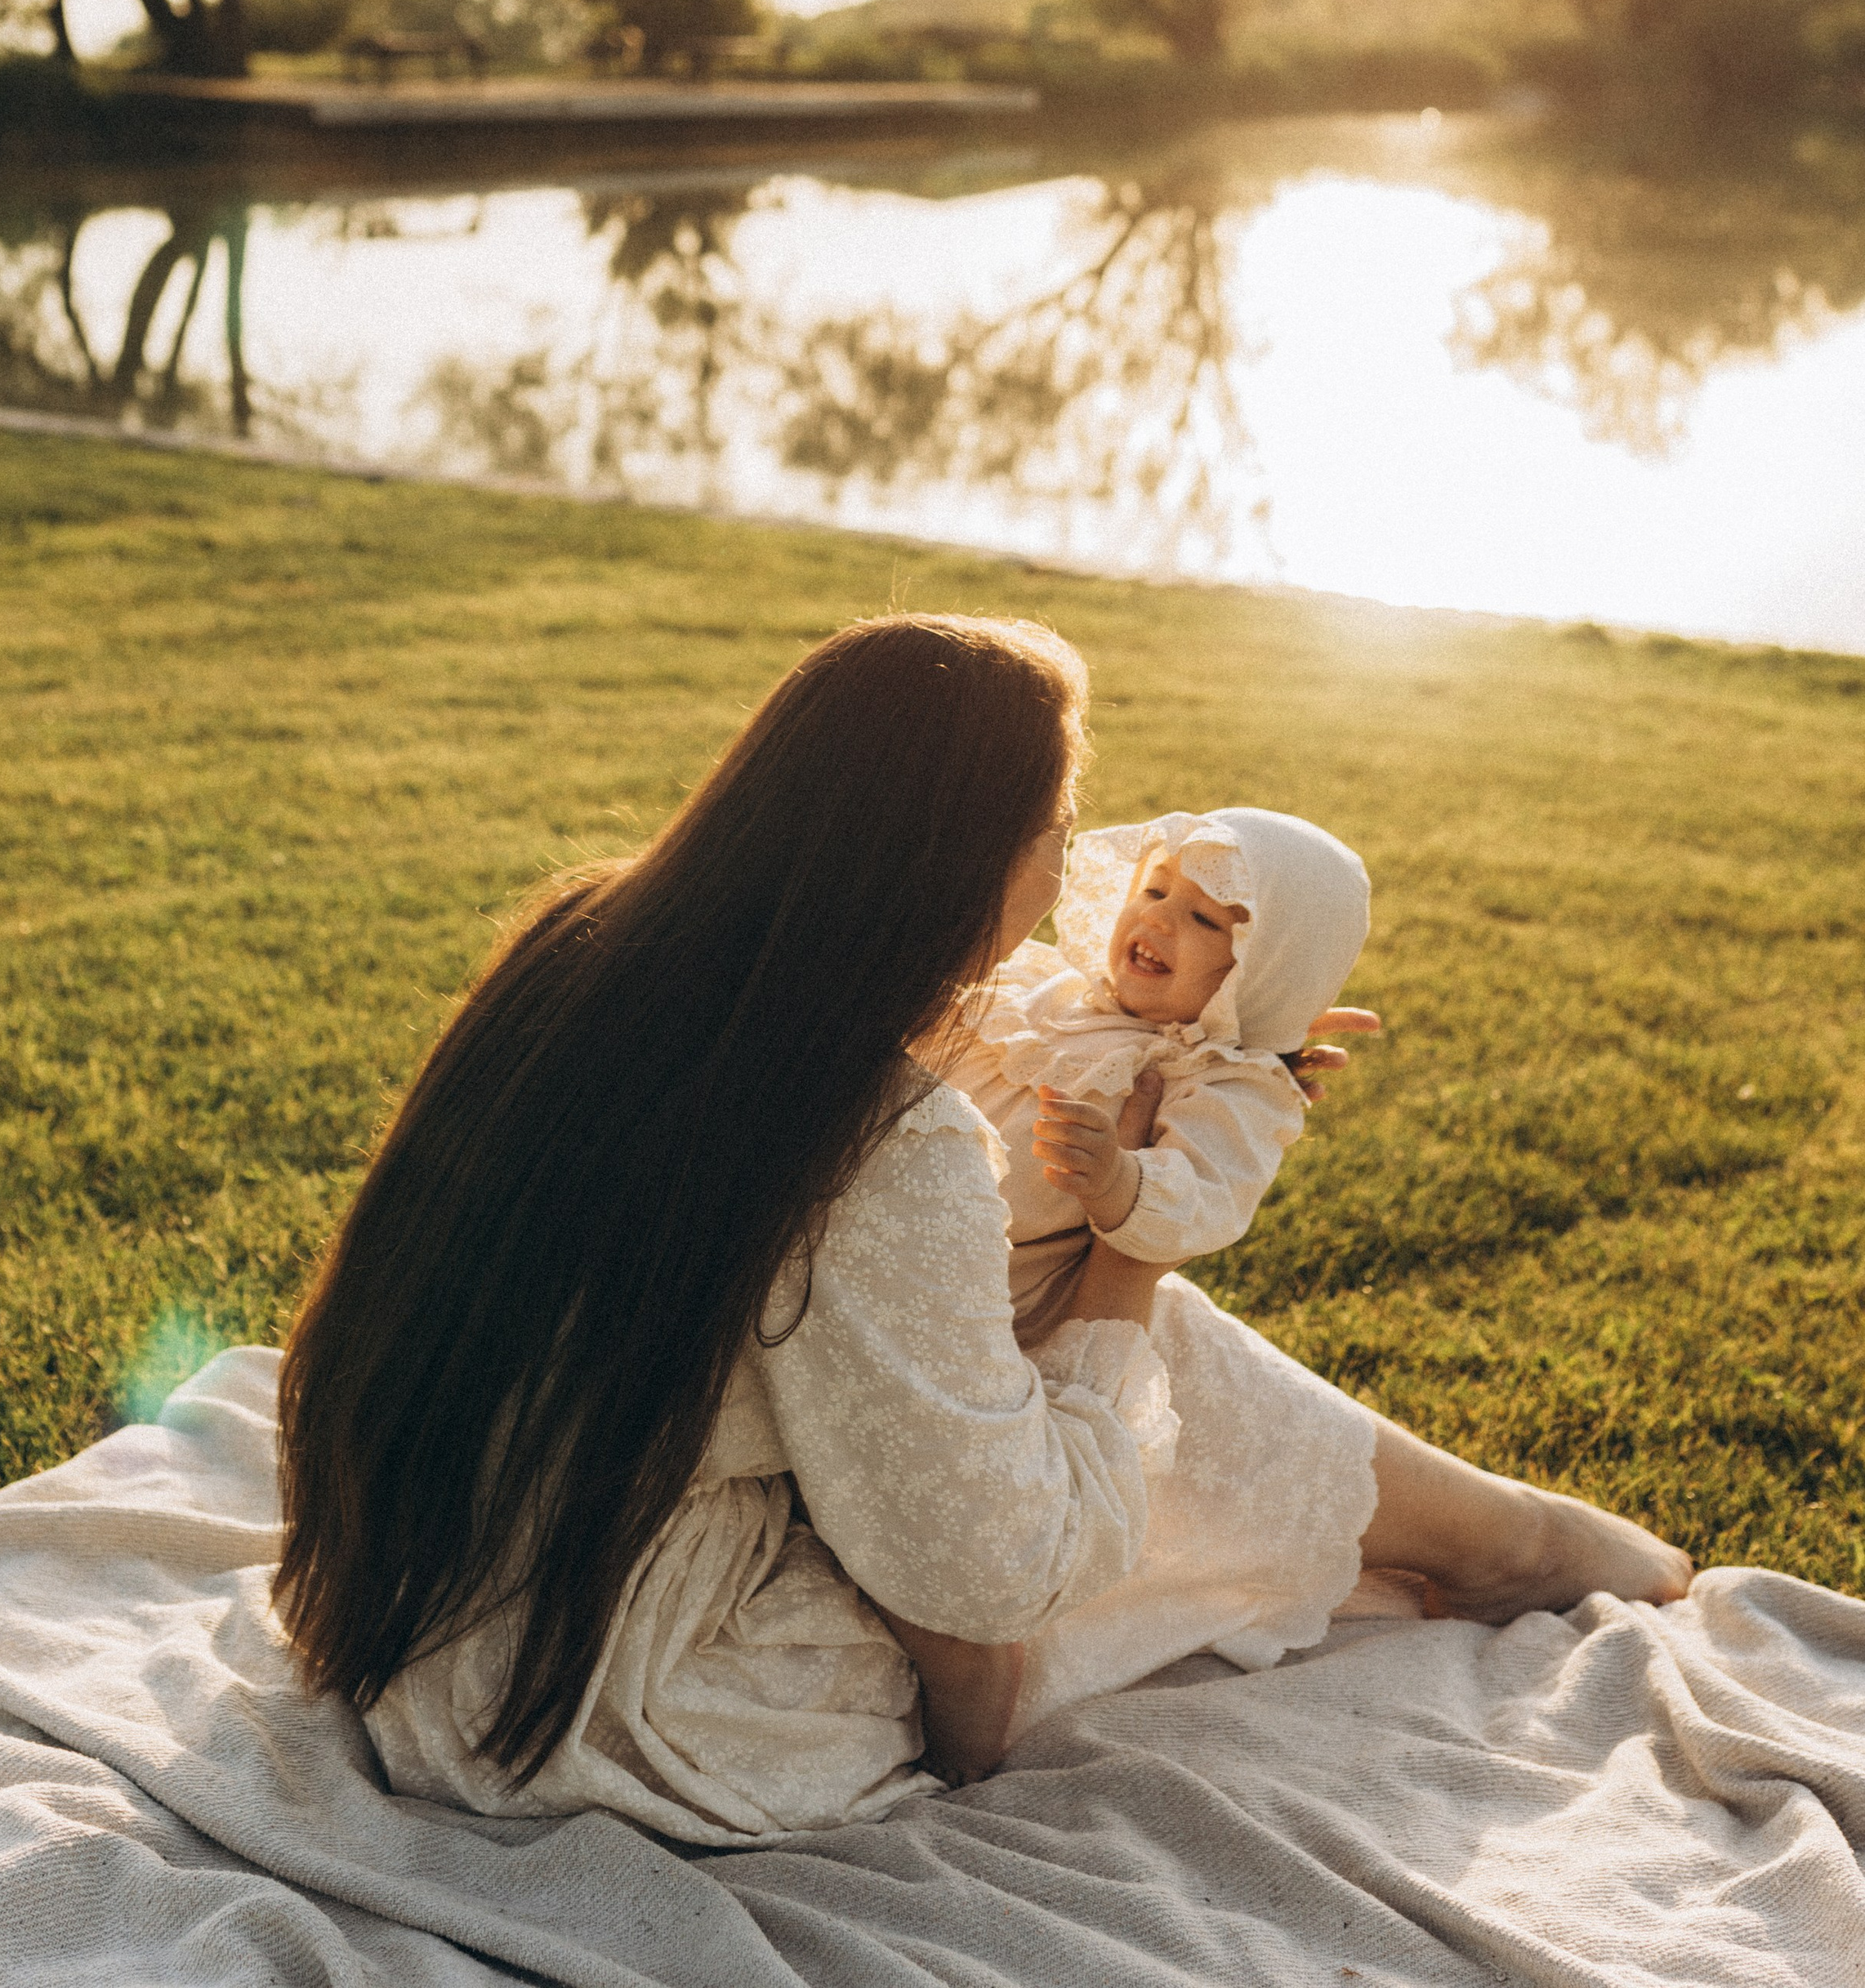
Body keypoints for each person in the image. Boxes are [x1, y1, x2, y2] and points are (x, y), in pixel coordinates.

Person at [273, 613, 1692, 1850]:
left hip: (402, 1577)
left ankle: (1492, 1538)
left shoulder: (591, 937)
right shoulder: (884, 1136)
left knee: (1028, 1289)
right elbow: (983, 1569)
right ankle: (1507, 1545)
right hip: (584, 1698)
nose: (1073, 873)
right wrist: (1140, 1245)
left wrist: (1206, 1082)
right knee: (1098, 1320)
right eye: (1058, 838)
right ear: (954, 862)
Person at [944, 807, 1374, 1348]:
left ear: (1259, 971)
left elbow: (1204, 1199)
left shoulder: (1218, 1081)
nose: (1158, 919)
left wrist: (1116, 1180)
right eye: (1154, 891)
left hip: (983, 1292)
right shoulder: (1045, 987)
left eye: (1205, 920)